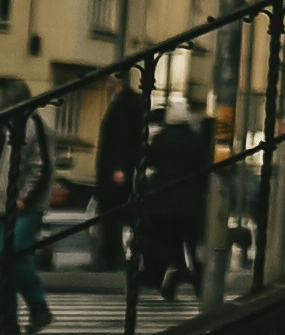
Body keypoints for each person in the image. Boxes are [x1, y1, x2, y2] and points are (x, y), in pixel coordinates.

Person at [133, 100, 213, 300]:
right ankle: (193, 279)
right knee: (190, 242)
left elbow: (148, 160)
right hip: (189, 198)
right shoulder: (195, 139)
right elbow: (203, 168)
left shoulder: (161, 138)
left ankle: (173, 273)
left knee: (169, 241)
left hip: (163, 197)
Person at [0, 118, 50, 335]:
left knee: (10, 254)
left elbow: (40, 163)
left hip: (22, 205)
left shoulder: (28, 121)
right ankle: (8, 320)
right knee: (3, 262)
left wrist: (25, 197)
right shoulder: (3, 123)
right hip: (1, 203)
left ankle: (38, 307)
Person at [89, 73, 145, 274]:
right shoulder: (127, 103)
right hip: (117, 169)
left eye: (111, 81)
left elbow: (123, 137)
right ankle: (115, 256)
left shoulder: (125, 105)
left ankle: (110, 257)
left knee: (114, 213)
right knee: (119, 213)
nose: (107, 85)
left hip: (116, 170)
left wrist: (120, 167)